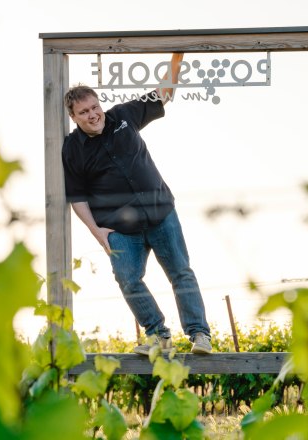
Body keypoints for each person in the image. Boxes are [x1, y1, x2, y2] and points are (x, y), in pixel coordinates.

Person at [61, 53, 212, 355]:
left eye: (94, 107)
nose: (93, 114)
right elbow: (76, 196)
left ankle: (199, 335)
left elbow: (164, 93)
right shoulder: (72, 149)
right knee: (127, 279)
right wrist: (96, 232)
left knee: (181, 272)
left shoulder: (124, 116)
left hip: (160, 213)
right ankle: (158, 335)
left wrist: (177, 57)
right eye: (84, 112)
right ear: (74, 117)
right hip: (119, 228)